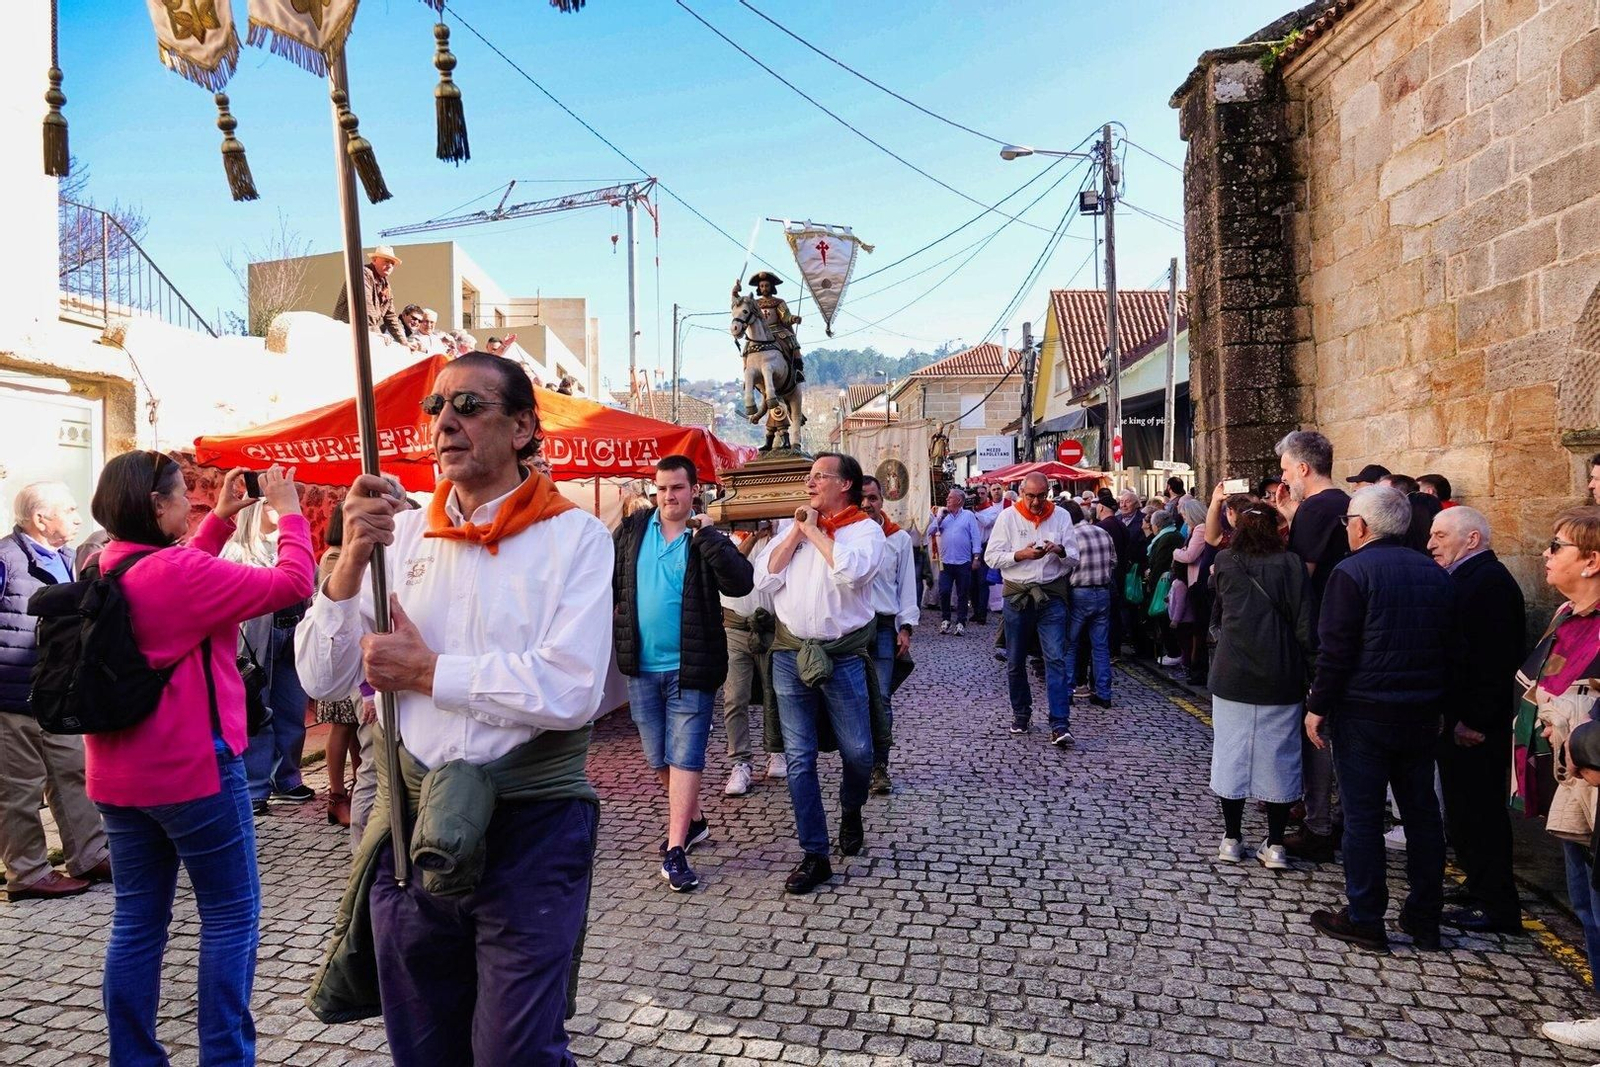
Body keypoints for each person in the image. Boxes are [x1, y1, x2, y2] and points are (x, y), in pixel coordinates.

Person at [298, 353, 613, 1062]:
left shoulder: (576, 538)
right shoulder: (397, 538)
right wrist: (348, 563)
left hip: (531, 825)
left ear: (525, 427)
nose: (445, 422)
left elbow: (570, 688)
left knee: (514, 1050)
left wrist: (429, 671)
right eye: (436, 407)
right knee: (423, 1047)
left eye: (469, 405)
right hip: (411, 827)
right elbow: (324, 674)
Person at [88, 454, 313, 1065]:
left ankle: (132, 1057)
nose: (191, 502)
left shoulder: (102, 562)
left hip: (117, 774)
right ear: (156, 507)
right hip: (193, 771)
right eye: (182, 495)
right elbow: (294, 583)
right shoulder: (177, 573)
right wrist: (290, 515)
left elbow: (173, 582)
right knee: (231, 916)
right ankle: (226, 1058)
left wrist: (216, 523)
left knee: (136, 921)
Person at [1305, 486, 1459, 954]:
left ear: (1362, 526)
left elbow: (1336, 651)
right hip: (1420, 712)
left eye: (1349, 520)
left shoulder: (1351, 572)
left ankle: (1366, 916)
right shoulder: (1436, 574)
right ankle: (1425, 917)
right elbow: (1453, 648)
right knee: (1422, 815)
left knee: (1364, 817)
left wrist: (1317, 706)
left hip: (1366, 712)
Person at [612, 455, 754, 893]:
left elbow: (741, 583)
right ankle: (693, 822)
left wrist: (710, 535)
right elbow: (610, 580)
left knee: (686, 753)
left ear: (694, 490)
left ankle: (675, 850)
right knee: (658, 756)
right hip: (641, 665)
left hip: (691, 665)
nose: (668, 496)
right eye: (661, 488)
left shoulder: (704, 536)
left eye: (677, 488)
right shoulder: (634, 530)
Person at [754, 452, 884, 894]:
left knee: (860, 753)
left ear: (844, 484)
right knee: (799, 758)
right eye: (808, 478)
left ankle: (851, 809)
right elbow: (766, 578)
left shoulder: (866, 531)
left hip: (842, 656)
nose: (809, 485)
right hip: (791, 655)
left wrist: (814, 529)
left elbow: (853, 573)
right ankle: (814, 854)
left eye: (818, 477)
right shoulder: (793, 529)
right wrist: (796, 530)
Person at [0, 482, 110, 900]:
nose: (79, 517)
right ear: (41, 519)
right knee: (18, 788)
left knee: (74, 772)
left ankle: (89, 854)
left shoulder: (68, 557)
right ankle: (27, 873)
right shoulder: (5, 558)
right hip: (12, 694)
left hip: (56, 692)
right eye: (69, 509)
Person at [1518, 508, 1600, 1053]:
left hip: (1592, 780)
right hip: (1569, 776)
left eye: (1557, 546)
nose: (1546, 554)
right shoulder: (1568, 613)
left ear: (1591, 561)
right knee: (1586, 899)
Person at [1426, 506, 1524, 933]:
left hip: (1476, 725)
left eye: (1441, 536)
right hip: (1462, 719)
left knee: (1480, 812)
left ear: (1471, 540)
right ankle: (1479, 883)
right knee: (1464, 810)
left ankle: (1497, 905)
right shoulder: (1470, 577)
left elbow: (1492, 662)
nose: (1431, 544)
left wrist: (1474, 720)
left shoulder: (1488, 584)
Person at [1208, 505, 1314, 869]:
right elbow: (1304, 622)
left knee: (1231, 754)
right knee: (1280, 758)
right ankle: (1276, 843)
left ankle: (1232, 837)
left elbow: (1219, 609)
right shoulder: (1292, 564)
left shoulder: (1225, 560)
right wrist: (1311, 670)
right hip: (1280, 671)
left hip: (1233, 670)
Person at [1275, 429, 1351, 863]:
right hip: (1341, 623)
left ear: (1304, 468)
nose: (1285, 478)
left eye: (1287, 470)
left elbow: (1299, 575)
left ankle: (1317, 823)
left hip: (1319, 629)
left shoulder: (1316, 508)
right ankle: (1332, 819)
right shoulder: (1344, 504)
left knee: (1317, 731)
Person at [224, 502, 314, 816]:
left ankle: (287, 776)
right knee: (257, 711)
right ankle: (255, 787)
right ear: (256, 510)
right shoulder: (236, 550)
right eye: (270, 505)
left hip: (291, 631)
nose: (279, 510)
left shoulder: (289, 543)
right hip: (253, 638)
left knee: (292, 707)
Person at [986, 473, 1080, 744]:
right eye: (1030, 496)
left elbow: (1074, 559)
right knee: (1015, 661)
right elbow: (992, 557)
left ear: (1048, 492)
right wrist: (1020, 555)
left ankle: (1060, 724)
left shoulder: (1061, 516)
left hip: (1051, 597)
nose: (1036, 502)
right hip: (1018, 597)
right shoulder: (1008, 517)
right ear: (1021, 492)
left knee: (1056, 659)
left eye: (1041, 495)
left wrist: (1059, 550)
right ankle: (1021, 714)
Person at [861, 476, 918, 795]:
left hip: (883, 626)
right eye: (862, 498)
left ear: (882, 500)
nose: (867, 504)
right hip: (851, 629)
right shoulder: (843, 534)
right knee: (851, 698)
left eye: (872, 497)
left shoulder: (898, 540)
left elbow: (907, 585)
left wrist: (906, 627)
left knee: (881, 698)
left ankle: (879, 766)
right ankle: (856, 761)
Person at [719, 522, 784, 795]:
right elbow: (728, 568)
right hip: (735, 627)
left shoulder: (787, 530)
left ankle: (777, 750)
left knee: (776, 692)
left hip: (772, 626)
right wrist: (754, 535)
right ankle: (740, 762)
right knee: (734, 697)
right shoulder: (727, 534)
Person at [312, 508, 364, 828]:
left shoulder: (342, 554)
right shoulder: (335, 557)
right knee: (341, 726)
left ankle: (358, 788)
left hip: (349, 650)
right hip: (337, 651)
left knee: (354, 726)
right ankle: (336, 795)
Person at [1065, 501, 1116, 712]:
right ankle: (1104, 694)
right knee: (1101, 646)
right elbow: (1113, 561)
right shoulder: (1102, 532)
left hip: (1080, 592)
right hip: (1103, 591)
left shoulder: (1071, 537)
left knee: (1071, 644)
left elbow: (1064, 566)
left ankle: (1067, 692)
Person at [1170, 497, 1213, 684]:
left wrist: (1175, 552)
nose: (1184, 519)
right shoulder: (1196, 529)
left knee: (1198, 629)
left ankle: (1197, 671)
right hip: (1195, 582)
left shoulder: (1201, 529)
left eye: (1185, 516)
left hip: (1198, 584)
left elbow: (1189, 556)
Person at [928, 489, 981, 635]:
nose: (947, 500)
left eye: (950, 498)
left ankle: (960, 622)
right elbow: (930, 531)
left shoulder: (968, 516)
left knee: (962, 593)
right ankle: (946, 619)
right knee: (944, 591)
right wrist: (939, 518)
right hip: (946, 561)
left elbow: (975, 537)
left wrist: (976, 557)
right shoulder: (944, 516)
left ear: (959, 500)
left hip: (963, 562)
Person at [332, 245, 406, 345]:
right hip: (345, 332)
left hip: (363, 334)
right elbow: (365, 307)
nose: (390, 266)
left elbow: (390, 316)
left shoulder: (386, 285)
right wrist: (376, 334)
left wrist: (404, 342)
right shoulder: (362, 274)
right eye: (386, 261)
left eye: (392, 263)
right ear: (374, 260)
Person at [968, 487, 1001, 626]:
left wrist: (974, 513)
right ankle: (976, 611)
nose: (980, 496)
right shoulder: (970, 511)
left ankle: (982, 614)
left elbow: (987, 522)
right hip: (969, 548)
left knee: (982, 582)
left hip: (984, 547)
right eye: (978, 494)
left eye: (982, 494)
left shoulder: (992, 510)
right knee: (971, 583)